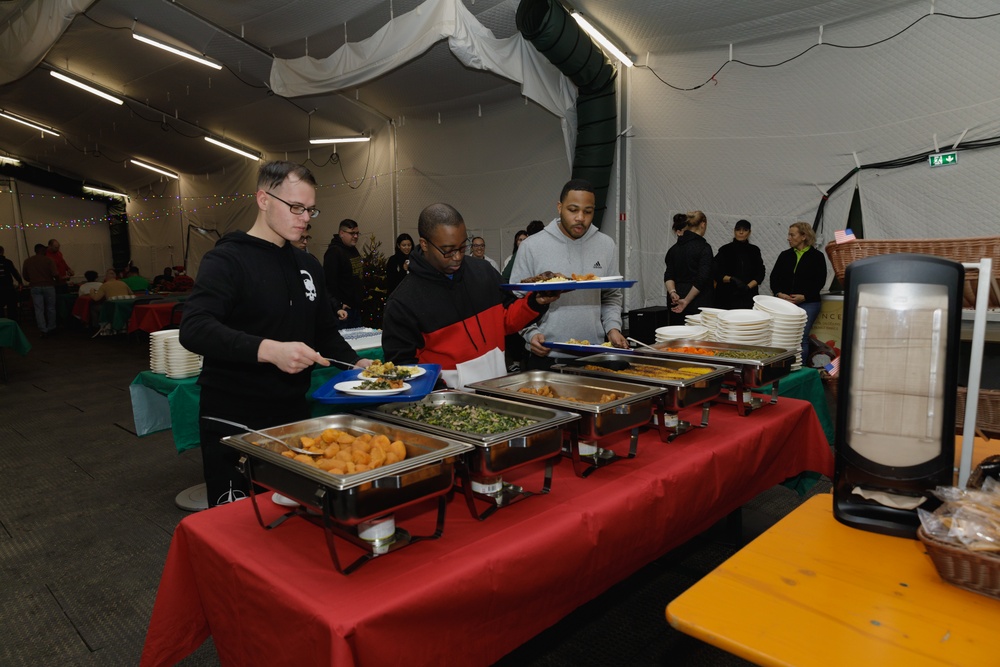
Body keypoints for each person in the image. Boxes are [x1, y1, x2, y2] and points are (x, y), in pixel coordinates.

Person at [180, 160, 371, 507]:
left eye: (310, 209)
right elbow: (194, 328)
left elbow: (325, 334)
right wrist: (268, 350)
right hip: (233, 417)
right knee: (238, 523)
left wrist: (357, 363)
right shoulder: (227, 260)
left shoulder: (308, 265)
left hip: (293, 416)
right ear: (263, 199)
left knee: (293, 516)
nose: (305, 217)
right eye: (296, 207)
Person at [382, 203, 557, 389]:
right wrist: (444, 393)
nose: (457, 257)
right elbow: (405, 367)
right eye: (448, 250)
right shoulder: (403, 301)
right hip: (446, 405)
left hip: (499, 391)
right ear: (424, 244)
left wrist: (535, 302)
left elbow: (507, 319)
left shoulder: (483, 271)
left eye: (462, 247)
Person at [510, 179, 627, 369]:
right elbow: (517, 299)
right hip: (546, 358)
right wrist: (530, 335)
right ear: (559, 207)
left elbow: (611, 295)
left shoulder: (606, 245)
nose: (580, 217)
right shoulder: (532, 246)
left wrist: (613, 328)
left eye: (587, 212)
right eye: (573, 210)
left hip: (594, 355)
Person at [770, 221, 828, 356]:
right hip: (784, 303)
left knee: (801, 338)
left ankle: (801, 370)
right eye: (789, 235)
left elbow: (820, 281)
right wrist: (779, 293)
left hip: (809, 303)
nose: (788, 238)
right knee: (782, 337)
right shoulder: (784, 255)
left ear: (804, 236)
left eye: (792, 235)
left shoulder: (817, 257)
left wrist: (805, 296)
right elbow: (774, 278)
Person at [663, 210, 714, 324]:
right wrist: (686, 301)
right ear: (703, 224)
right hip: (697, 301)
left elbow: (668, 275)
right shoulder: (704, 248)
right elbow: (702, 279)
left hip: (675, 301)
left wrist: (672, 292)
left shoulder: (673, 249)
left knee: (678, 337)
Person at [713, 219, 766, 310]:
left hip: (748, 296)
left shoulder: (754, 250)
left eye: (745, 230)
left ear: (749, 232)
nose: (741, 232)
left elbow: (760, 272)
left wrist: (748, 287)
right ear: (734, 231)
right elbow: (715, 272)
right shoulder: (725, 250)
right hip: (726, 296)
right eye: (738, 229)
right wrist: (732, 279)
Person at [323, 219, 363, 328]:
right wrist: (338, 305)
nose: (355, 236)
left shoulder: (352, 249)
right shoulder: (334, 252)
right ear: (341, 233)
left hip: (355, 308)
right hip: (343, 312)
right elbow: (328, 284)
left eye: (357, 233)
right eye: (352, 233)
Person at [22, 243, 59, 334]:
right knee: (51, 308)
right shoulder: (49, 260)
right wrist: (57, 281)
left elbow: (25, 276)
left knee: (39, 309)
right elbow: (55, 274)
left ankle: (43, 329)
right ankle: (51, 327)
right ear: (43, 250)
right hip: (48, 286)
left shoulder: (27, 261)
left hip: (35, 286)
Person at [0, 245, 24, 320]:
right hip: (9, 288)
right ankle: (13, 325)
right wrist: (20, 282)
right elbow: (15, 273)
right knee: (12, 309)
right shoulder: (8, 262)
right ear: (2, 252)